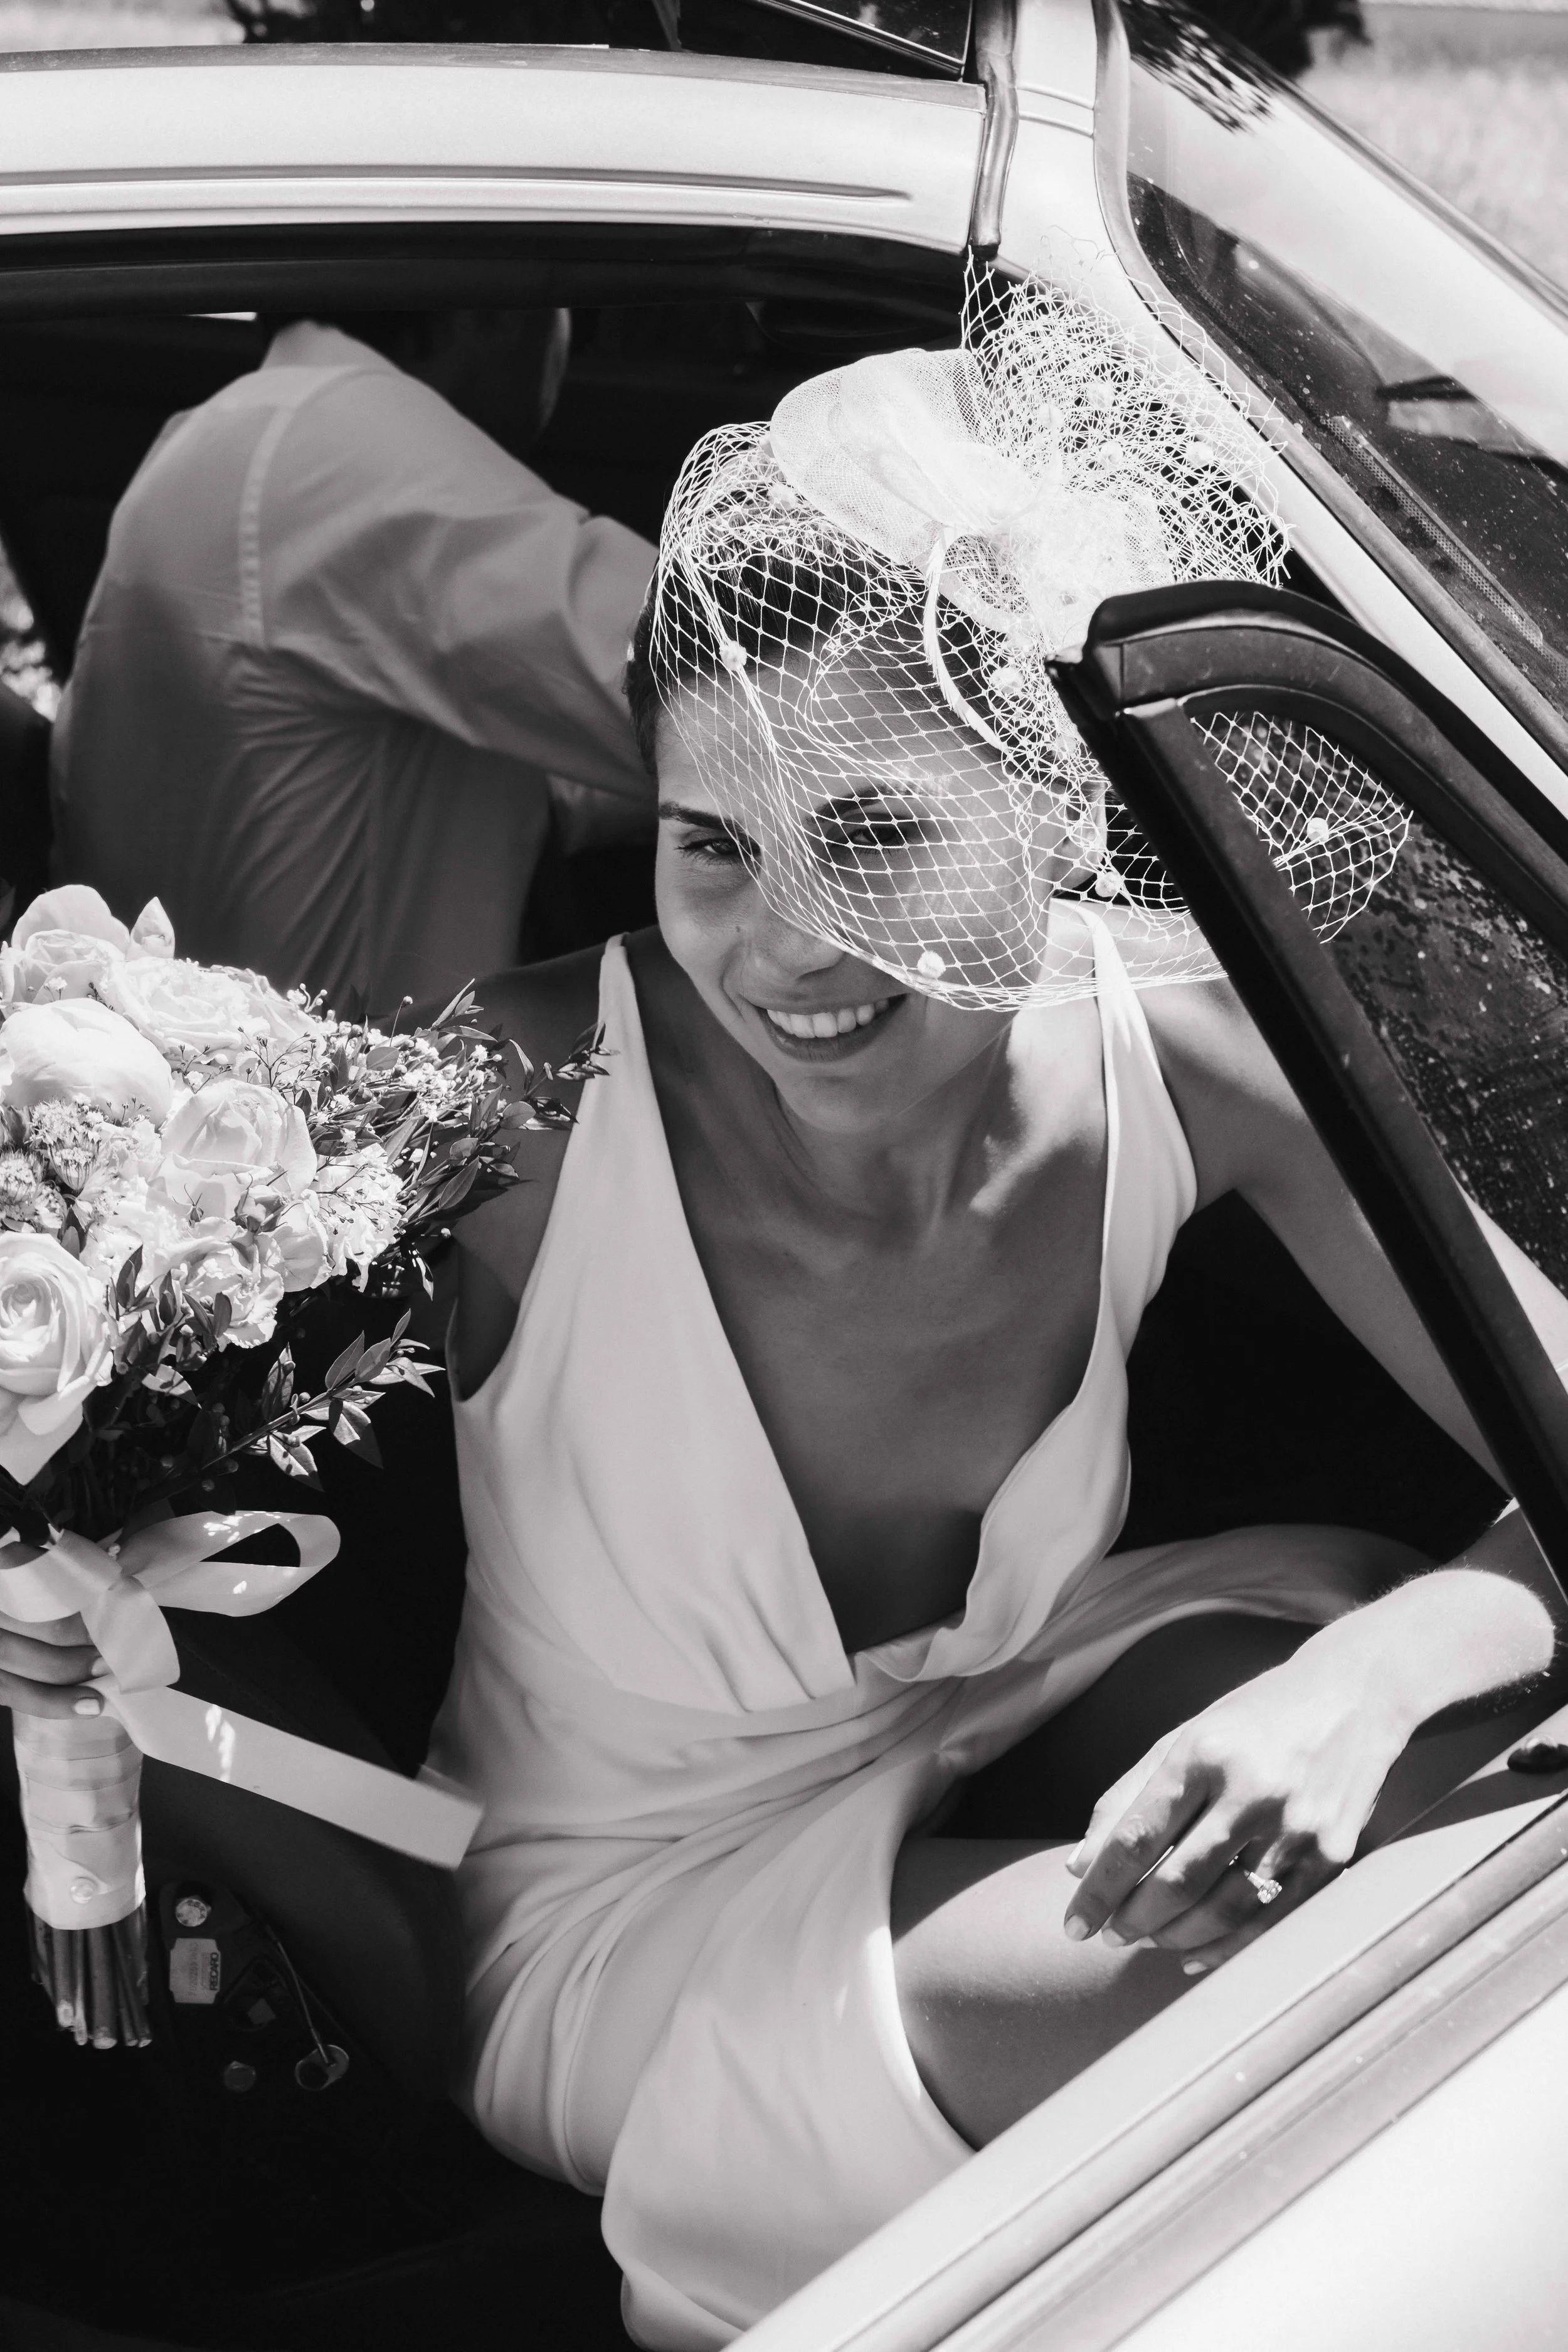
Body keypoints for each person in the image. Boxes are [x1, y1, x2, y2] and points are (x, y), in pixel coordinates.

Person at [6, 280, 1562, 2348]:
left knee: (1473, 1755)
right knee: (1371, 1985)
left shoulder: (1196, 1055)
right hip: (628, 1909)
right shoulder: (533, 1092)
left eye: (877, 833)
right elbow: (163, 1284)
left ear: (1053, 806)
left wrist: (1357, 1684)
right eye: (712, 844)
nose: (783, 944)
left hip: (996, 1706)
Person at [50, 307, 655, 1013]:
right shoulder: (355, 444)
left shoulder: (217, 429)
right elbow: (718, 677)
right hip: (350, 1066)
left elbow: (457, 767)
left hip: (199, 1047)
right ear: (489, 311)